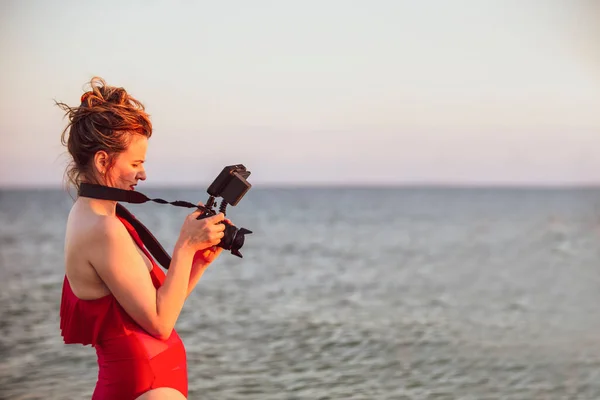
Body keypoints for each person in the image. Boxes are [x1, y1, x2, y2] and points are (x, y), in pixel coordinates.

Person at [57, 77, 226, 400]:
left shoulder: (104, 218)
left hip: (150, 385)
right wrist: (184, 245)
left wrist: (196, 262)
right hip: (145, 390)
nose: (143, 174)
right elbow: (161, 325)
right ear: (103, 160)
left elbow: (158, 305)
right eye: (136, 163)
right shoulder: (101, 229)